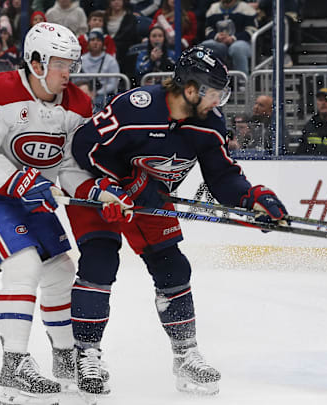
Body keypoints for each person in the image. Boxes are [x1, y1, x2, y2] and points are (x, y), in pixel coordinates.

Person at [58, 45, 288, 397]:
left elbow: (223, 177)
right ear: (191, 89)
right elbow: (85, 148)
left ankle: (185, 355)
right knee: (100, 262)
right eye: (215, 92)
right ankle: (86, 354)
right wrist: (120, 185)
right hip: (99, 190)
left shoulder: (209, 125)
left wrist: (251, 197)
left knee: (174, 269)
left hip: (148, 199)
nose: (219, 101)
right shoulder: (136, 107)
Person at [0, 22, 91, 404]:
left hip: (24, 186)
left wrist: (95, 191)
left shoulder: (78, 103)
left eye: (71, 64)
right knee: (24, 264)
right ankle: (14, 366)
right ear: (35, 61)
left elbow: (69, 166)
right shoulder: (2, 89)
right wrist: (27, 183)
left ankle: (64, 359)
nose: (68, 72)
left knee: (61, 268)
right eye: (60, 63)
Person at [201, 0, 257, 75]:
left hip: (242, 42)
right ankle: (213, 80)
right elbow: (208, 29)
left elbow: (252, 30)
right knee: (205, 45)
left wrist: (233, 38)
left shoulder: (246, 8)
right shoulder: (213, 8)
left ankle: (242, 82)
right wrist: (217, 36)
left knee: (237, 48)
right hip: (219, 42)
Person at [80, 28, 121, 103]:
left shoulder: (111, 61)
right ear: (88, 43)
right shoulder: (81, 60)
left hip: (104, 95)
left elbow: (113, 83)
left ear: (102, 44)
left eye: (98, 40)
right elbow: (76, 80)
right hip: (84, 93)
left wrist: (97, 93)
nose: (95, 43)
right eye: (92, 40)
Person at [104, 0, 138, 69]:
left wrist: (112, 43)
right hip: (105, 47)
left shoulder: (130, 18)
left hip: (123, 49)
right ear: (109, 2)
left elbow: (127, 36)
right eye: (113, 0)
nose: (116, 2)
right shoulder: (104, 17)